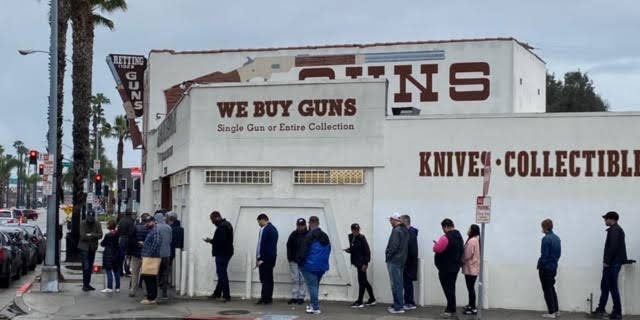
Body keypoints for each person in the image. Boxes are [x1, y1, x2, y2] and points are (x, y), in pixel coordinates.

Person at [592, 211, 627, 320]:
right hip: (612, 263)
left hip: (612, 263)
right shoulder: (614, 230)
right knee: (605, 286)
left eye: (606, 219)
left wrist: (607, 261)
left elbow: (613, 247)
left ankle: (617, 312)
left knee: (612, 287)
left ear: (611, 219)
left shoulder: (615, 230)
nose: (605, 220)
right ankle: (601, 309)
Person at [297, 216, 331, 315]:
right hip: (322, 266)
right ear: (318, 223)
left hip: (309, 266)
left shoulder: (309, 235)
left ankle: (315, 308)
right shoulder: (325, 236)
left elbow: (303, 251)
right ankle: (312, 304)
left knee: (312, 286)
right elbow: (328, 250)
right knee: (315, 286)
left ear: (310, 223)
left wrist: (299, 262)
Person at [433, 218, 464, 318]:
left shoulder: (445, 237)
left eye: (443, 228)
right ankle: (452, 308)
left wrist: (436, 245)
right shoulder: (459, 236)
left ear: (446, 227)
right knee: (451, 288)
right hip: (455, 267)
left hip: (445, 268)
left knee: (447, 288)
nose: (443, 230)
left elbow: (437, 249)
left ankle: (450, 309)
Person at [204, 211, 234, 302]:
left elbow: (221, 241)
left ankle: (226, 295)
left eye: (212, 220)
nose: (212, 222)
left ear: (217, 217)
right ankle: (217, 293)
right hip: (226, 252)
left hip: (222, 253)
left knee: (221, 274)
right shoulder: (227, 224)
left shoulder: (222, 227)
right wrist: (213, 240)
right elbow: (222, 240)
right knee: (221, 273)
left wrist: (211, 241)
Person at [344, 223, 376, 308]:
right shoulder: (351, 237)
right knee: (364, 281)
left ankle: (360, 301)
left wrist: (366, 264)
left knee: (362, 282)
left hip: (362, 263)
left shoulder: (362, 238)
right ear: (352, 230)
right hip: (356, 262)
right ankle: (372, 299)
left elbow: (367, 251)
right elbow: (354, 249)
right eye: (355, 230)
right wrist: (349, 250)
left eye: (358, 230)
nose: (356, 232)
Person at [385, 213, 409, 314]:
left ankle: (398, 307)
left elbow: (393, 246)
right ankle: (398, 304)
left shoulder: (396, 230)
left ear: (395, 220)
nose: (390, 222)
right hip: (401, 260)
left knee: (395, 284)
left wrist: (388, 256)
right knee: (399, 283)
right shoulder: (404, 230)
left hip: (394, 261)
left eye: (391, 220)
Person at [537, 219, 561, 319]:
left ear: (545, 227)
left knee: (547, 290)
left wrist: (541, 264)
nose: (541, 229)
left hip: (546, 268)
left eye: (542, 227)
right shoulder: (557, 238)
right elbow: (559, 254)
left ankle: (551, 312)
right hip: (553, 266)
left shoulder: (546, 239)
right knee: (551, 288)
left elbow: (544, 255)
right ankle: (556, 310)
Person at [255, 213, 278, 305]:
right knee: (266, 278)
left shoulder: (268, 229)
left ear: (263, 219)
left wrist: (261, 258)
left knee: (266, 278)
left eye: (259, 222)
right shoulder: (269, 229)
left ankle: (266, 298)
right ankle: (266, 297)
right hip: (267, 258)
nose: (258, 224)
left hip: (266, 258)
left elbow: (267, 246)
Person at [78, 213, 103, 292]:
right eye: (89, 219)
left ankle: (87, 284)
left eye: (92, 219)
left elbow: (100, 235)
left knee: (90, 267)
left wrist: (90, 234)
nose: (90, 221)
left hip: (92, 248)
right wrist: (93, 236)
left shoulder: (97, 224)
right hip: (84, 248)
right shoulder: (82, 223)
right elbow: (82, 236)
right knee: (86, 267)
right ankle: (85, 285)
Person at [286, 218, 308, 305]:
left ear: (305, 225)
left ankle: (301, 297)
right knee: (295, 279)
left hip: (304, 261)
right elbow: (288, 246)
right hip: (294, 260)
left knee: (303, 279)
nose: (300, 227)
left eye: (302, 225)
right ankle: (294, 297)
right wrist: (290, 258)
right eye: (299, 225)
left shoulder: (309, 234)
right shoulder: (293, 234)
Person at [140, 216, 161, 305]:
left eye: (148, 222)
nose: (146, 224)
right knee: (148, 277)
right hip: (149, 256)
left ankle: (151, 298)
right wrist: (144, 244)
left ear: (153, 222)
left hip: (150, 258)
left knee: (149, 277)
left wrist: (149, 254)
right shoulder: (152, 231)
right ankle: (151, 297)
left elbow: (156, 244)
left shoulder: (155, 232)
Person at [129, 213, 150, 297]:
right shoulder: (150, 228)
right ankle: (146, 291)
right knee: (145, 273)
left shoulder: (135, 227)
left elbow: (131, 239)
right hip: (146, 254)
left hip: (136, 253)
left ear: (141, 219)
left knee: (134, 273)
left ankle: (133, 290)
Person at [462, 224, 481, 315]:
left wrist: (461, 259)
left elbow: (467, 255)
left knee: (470, 288)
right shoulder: (476, 240)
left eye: (469, 229)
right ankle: (471, 305)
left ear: (472, 231)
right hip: (473, 268)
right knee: (470, 288)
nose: (468, 230)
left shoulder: (472, 240)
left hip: (470, 269)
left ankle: (473, 308)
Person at [401, 214, 418, 310]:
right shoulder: (409, 232)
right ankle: (408, 302)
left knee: (407, 283)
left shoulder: (410, 233)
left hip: (409, 263)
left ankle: (410, 303)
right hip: (408, 262)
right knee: (406, 283)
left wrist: (405, 258)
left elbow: (412, 250)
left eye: (401, 221)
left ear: (405, 221)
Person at [154, 212, 173, 299]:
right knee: (165, 273)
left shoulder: (155, 227)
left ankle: (155, 292)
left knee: (156, 273)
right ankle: (164, 293)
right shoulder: (169, 227)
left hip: (157, 254)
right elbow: (170, 240)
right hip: (166, 253)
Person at [101, 220, 121, 293]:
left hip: (108, 254)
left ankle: (109, 287)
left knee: (109, 270)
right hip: (116, 254)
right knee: (116, 271)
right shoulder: (118, 234)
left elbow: (103, 244)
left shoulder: (108, 235)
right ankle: (118, 287)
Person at [166, 212, 184, 286]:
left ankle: (169, 281)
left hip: (170, 250)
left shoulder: (170, 229)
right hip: (179, 250)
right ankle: (174, 282)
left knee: (169, 268)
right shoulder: (181, 229)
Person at [117, 212, 136, 277]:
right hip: (128, 241)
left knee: (121, 256)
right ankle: (127, 270)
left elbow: (118, 230)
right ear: (130, 214)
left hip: (122, 240)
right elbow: (132, 232)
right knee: (128, 257)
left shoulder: (121, 221)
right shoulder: (131, 222)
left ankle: (120, 271)